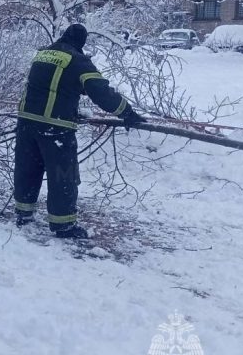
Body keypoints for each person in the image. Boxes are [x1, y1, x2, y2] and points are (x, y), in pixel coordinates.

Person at [13, 24, 145, 238]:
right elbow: (100, 92)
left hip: (27, 122)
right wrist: (126, 112)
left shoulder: (43, 54)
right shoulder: (77, 60)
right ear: (81, 43)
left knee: (27, 169)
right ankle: (63, 225)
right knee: (63, 175)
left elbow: (51, 85)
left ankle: (23, 213)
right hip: (55, 127)